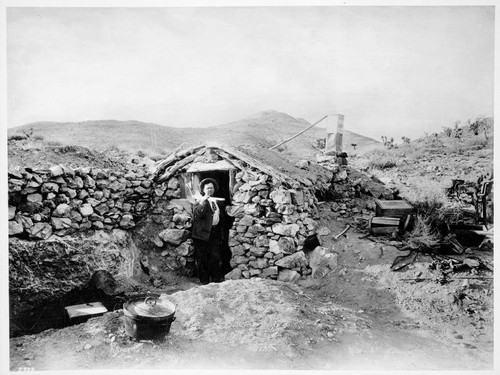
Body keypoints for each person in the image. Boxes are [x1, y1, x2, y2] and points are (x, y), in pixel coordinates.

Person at [191, 178, 226, 284]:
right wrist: (202, 202)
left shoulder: (216, 201)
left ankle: (215, 281)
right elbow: (197, 215)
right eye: (207, 188)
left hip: (214, 233)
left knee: (215, 257)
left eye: (211, 188)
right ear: (203, 189)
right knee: (202, 259)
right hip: (201, 235)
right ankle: (204, 282)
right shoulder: (199, 200)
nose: (209, 190)